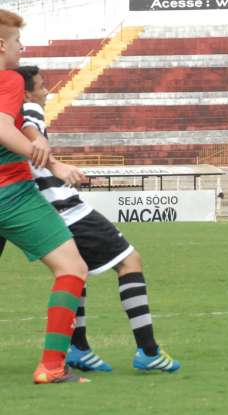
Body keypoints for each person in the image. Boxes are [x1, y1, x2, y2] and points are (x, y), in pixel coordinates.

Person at [16, 66, 180, 373]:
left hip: (39, 209)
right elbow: (30, 129)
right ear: (27, 92)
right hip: (65, 208)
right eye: (41, 86)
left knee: (74, 272)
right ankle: (148, 351)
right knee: (130, 261)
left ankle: (78, 348)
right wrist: (53, 161)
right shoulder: (30, 108)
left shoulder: (9, 113)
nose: (46, 92)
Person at [0, 9, 89, 384]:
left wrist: (39, 144)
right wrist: (50, 163)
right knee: (72, 268)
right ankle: (52, 366)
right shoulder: (8, 78)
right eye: (18, 42)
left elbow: (16, 125)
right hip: (11, 194)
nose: (22, 48)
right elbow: (2, 128)